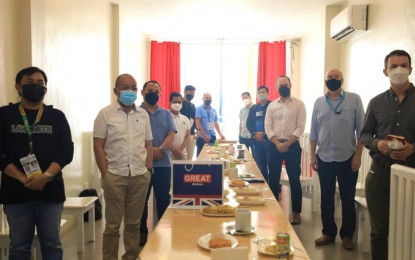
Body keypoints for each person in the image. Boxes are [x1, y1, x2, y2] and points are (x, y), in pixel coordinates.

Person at [0, 67, 74, 259]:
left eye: (40, 83)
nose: (36, 86)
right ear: (18, 87)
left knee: (52, 245)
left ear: (46, 89)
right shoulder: (4, 115)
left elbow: (66, 151)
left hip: (50, 191)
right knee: (19, 246)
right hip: (16, 192)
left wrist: (46, 176)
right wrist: (23, 178)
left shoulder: (57, 116)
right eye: (30, 82)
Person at [360, 49, 415, 260]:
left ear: (410, 69)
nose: (399, 70)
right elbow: (364, 134)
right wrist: (377, 143)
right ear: (385, 71)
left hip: (411, 175)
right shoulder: (376, 102)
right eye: (394, 66)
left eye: (403, 65)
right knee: (379, 233)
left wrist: (413, 148)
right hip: (380, 175)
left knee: (409, 231)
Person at [93, 74, 152, 259]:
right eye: (125, 87)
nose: (130, 91)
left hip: (140, 175)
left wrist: (148, 169)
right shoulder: (105, 114)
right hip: (115, 175)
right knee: (112, 226)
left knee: (134, 224)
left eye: (133, 88)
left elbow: (148, 144)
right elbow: (98, 145)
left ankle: (131, 256)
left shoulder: (143, 114)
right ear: (116, 91)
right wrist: (105, 173)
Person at [310, 69, 365, 250]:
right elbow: (314, 133)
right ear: (325, 81)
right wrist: (312, 156)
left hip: (347, 158)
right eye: (329, 78)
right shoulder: (319, 103)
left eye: (336, 78)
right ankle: (328, 232)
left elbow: (362, 132)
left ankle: (347, 235)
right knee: (326, 198)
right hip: (324, 157)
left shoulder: (354, 99)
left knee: (347, 198)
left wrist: (358, 157)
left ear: (342, 80)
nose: (333, 80)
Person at [265, 76, 306, 225]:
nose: (283, 87)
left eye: (286, 84)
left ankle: (296, 213)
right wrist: (277, 143)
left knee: (294, 178)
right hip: (274, 145)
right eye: (281, 85)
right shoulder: (272, 106)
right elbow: (268, 127)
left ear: (290, 85)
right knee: (273, 178)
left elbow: (300, 127)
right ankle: (273, 209)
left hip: (292, 145)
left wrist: (287, 143)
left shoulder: (299, 104)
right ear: (277, 87)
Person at [139, 80, 176, 246]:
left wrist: (159, 149)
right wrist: (149, 151)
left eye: (156, 91)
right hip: (141, 165)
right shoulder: (136, 113)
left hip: (163, 164)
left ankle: (163, 230)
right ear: (142, 92)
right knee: (141, 200)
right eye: (149, 90)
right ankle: (141, 233)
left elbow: (171, 134)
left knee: (163, 199)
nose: (152, 93)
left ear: (160, 94)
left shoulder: (166, 114)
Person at [246, 86, 272, 182]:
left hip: (269, 141)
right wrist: (256, 135)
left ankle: (274, 189)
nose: (261, 94)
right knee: (261, 167)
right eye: (259, 92)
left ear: (267, 93)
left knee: (272, 167)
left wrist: (264, 135)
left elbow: (275, 124)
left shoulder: (272, 106)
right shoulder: (253, 108)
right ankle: (264, 188)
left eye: (263, 92)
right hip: (257, 142)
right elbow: (248, 124)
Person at [195, 92, 225, 157]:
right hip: (202, 137)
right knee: (201, 156)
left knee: (213, 155)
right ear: (203, 99)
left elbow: (215, 123)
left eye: (210, 98)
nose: (208, 99)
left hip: (212, 136)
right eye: (207, 98)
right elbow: (198, 122)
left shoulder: (213, 110)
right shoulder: (199, 109)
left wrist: (220, 134)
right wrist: (204, 135)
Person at [169, 92, 191, 160]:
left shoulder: (185, 118)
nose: (177, 104)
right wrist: (173, 150)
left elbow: (188, 136)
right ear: (170, 103)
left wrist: (180, 150)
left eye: (179, 102)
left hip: (182, 154)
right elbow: (163, 136)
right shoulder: (165, 117)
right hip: (168, 155)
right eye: (175, 102)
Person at [180, 85, 197, 160]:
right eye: (191, 93)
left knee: (190, 155)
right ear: (185, 92)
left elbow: (194, 119)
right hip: (182, 133)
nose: (192, 95)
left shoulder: (193, 106)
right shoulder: (179, 103)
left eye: (193, 94)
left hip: (192, 134)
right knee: (182, 156)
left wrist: (197, 131)